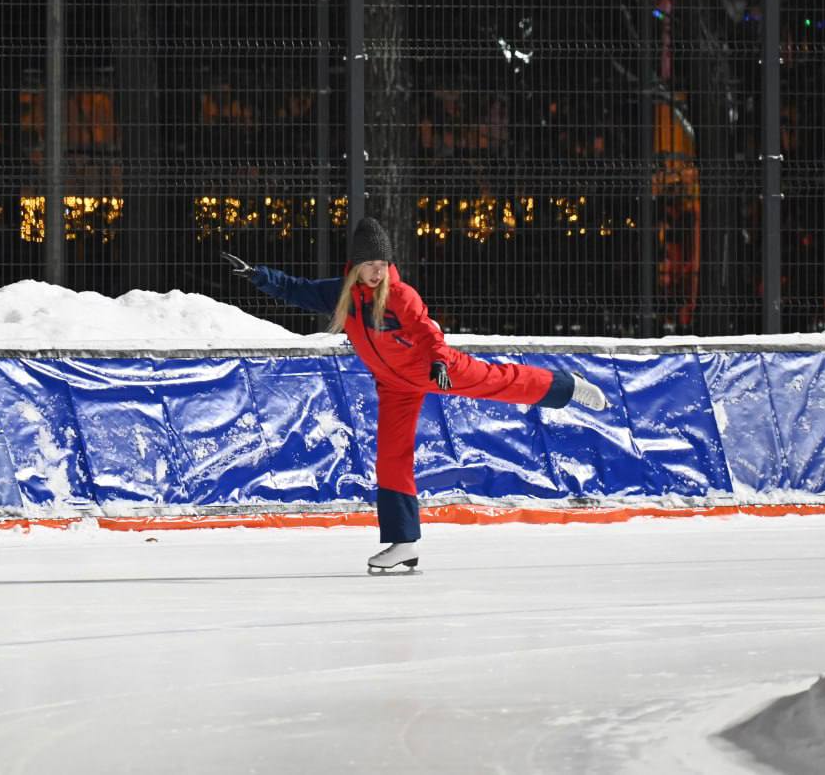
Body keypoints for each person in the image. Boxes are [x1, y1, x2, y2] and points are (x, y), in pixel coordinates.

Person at [222, 215, 607, 574]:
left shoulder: (400, 295)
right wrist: (258, 275)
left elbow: (427, 331)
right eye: (370, 264)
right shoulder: (345, 295)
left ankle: (566, 385)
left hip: (434, 368)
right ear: (356, 265)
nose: (378, 271)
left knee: (498, 382)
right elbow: (297, 290)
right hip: (394, 386)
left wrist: (439, 361)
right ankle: (403, 541)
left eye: (383, 264)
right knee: (391, 457)